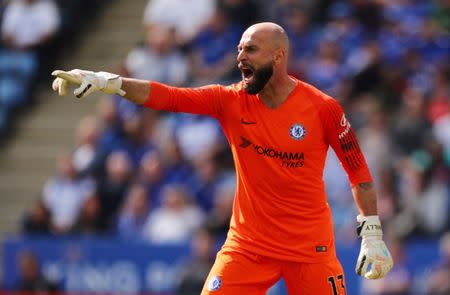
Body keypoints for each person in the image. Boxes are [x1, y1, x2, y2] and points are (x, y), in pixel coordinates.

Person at [51, 22, 393, 294]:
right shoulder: (229, 100)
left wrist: (372, 233)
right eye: (239, 49)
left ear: (278, 57)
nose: (241, 56)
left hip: (310, 249)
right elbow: (169, 97)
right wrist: (108, 82)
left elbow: (358, 171)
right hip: (248, 246)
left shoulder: (323, 108)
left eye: (251, 49)